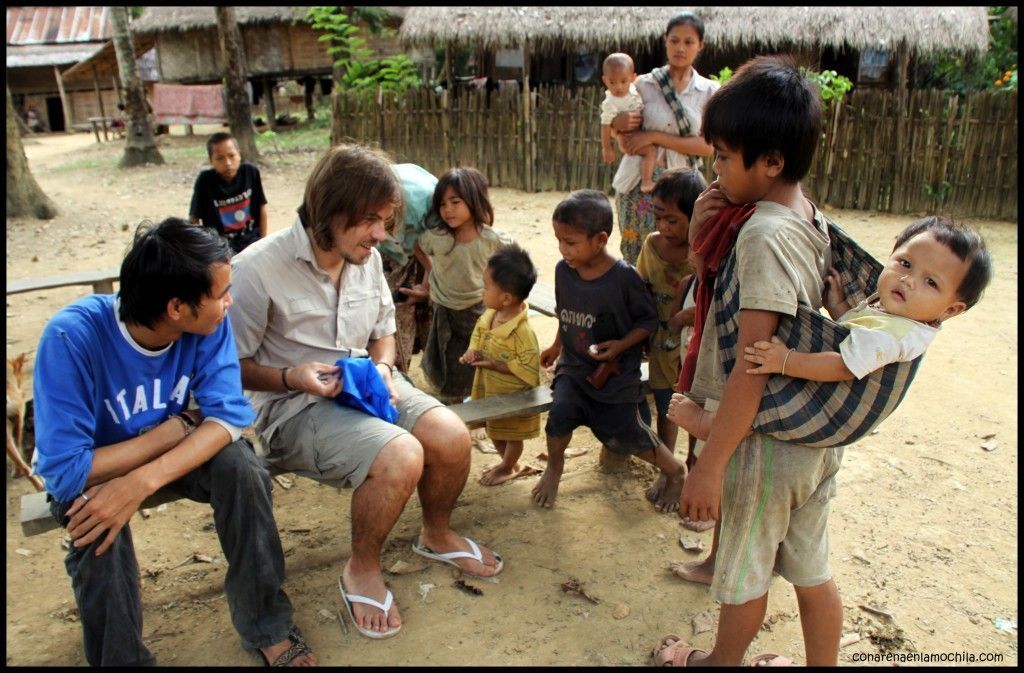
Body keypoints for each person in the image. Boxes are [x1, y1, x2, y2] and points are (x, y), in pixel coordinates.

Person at [228, 144, 503, 641]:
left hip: (365, 381)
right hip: (293, 405)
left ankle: (435, 534)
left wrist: (380, 364)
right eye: (370, 220)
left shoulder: (367, 258)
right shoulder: (255, 269)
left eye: (386, 219)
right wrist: (293, 377)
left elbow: (382, 329)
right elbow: (232, 368)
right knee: (401, 456)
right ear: (330, 210)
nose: (382, 234)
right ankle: (362, 567)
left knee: (450, 436)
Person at [31, 218, 315, 667]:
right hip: (96, 468)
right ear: (177, 308)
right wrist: (174, 429)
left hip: (162, 454)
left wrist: (141, 481)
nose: (229, 302)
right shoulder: (72, 338)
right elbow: (65, 471)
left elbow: (229, 418)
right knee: (94, 519)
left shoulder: (209, 324)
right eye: (221, 294)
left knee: (242, 470)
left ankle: (267, 625)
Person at [652, 55, 839, 667]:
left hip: (765, 446)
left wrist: (708, 469)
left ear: (772, 162)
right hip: (809, 442)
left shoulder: (761, 235)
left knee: (743, 576)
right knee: (812, 573)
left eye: (725, 158)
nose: (714, 169)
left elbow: (751, 365)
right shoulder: (805, 213)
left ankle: (716, 663)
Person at [670, 216, 993, 439]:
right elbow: (854, 334)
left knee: (763, 404)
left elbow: (843, 365)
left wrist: (786, 361)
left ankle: (709, 423)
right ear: (893, 251)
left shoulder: (897, 334)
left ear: (950, 310)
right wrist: (839, 306)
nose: (908, 280)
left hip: (830, 404)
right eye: (905, 263)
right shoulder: (899, 312)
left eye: (931, 282)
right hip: (837, 370)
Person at [533, 189, 687, 512]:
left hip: (615, 378)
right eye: (558, 240)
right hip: (574, 369)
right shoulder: (564, 271)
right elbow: (565, 312)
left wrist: (620, 345)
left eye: (570, 242)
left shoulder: (624, 278)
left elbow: (648, 322)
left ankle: (675, 471)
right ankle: (554, 468)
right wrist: (556, 345)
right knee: (560, 414)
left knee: (625, 435)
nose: (563, 250)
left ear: (600, 240)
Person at [609, 12, 719, 265]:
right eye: (674, 40)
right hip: (638, 182)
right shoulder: (642, 85)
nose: (680, 47)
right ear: (665, 41)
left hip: (682, 187)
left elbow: (706, 147)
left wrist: (654, 136)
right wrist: (617, 125)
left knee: (678, 251)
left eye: (688, 42)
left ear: (700, 45)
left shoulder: (710, 92)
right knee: (635, 250)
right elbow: (624, 136)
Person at [404, 167, 514, 403]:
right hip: (444, 309)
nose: (447, 209)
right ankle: (455, 405)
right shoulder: (437, 237)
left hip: (478, 310)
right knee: (449, 358)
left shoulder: (491, 240)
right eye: (442, 204)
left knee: (478, 359)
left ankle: (476, 412)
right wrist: (432, 273)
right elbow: (418, 247)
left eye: (455, 201)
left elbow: (512, 266)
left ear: (475, 200)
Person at [634, 168, 704, 512]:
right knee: (665, 407)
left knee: (693, 412)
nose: (663, 227)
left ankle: (693, 471)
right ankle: (668, 468)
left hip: (694, 347)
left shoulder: (702, 254)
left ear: (696, 218)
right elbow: (640, 288)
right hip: (661, 343)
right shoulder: (651, 245)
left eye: (673, 220)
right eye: (659, 217)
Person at [459, 244, 542, 486]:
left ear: (506, 298)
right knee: (495, 430)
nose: (482, 291)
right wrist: (471, 352)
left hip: (513, 396)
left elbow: (529, 367)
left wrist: (496, 365)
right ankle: (508, 464)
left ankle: (508, 466)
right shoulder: (489, 316)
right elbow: (478, 335)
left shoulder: (523, 332)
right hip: (490, 390)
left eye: (486, 287)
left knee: (512, 434)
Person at [377, 163, 438, 372]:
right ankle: (395, 373)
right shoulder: (357, 208)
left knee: (428, 312)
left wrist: (428, 281)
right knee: (390, 310)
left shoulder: (425, 200)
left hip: (429, 251)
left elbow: (440, 247)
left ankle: (439, 377)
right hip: (392, 253)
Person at [189, 132, 268, 254]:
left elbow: (261, 206)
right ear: (211, 160)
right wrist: (202, 252)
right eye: (220, 158)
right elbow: (194, 219)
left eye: (232, 156)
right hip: (221, 248)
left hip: (252, 242)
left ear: (239, 155)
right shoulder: (205, 181)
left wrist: (264, 242)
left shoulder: (250, 172)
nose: (227, 163)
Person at [600, 53, 658, 194]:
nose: (619, 87)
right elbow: (606, 126)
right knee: (650, 151)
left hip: (638, 133)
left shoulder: (633, 90)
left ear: (633, 78)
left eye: (623, 81)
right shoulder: (610, 103)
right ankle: (646, 181)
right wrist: (607, 148)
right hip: (627, 138)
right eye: (612, 82)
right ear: (605, 80)